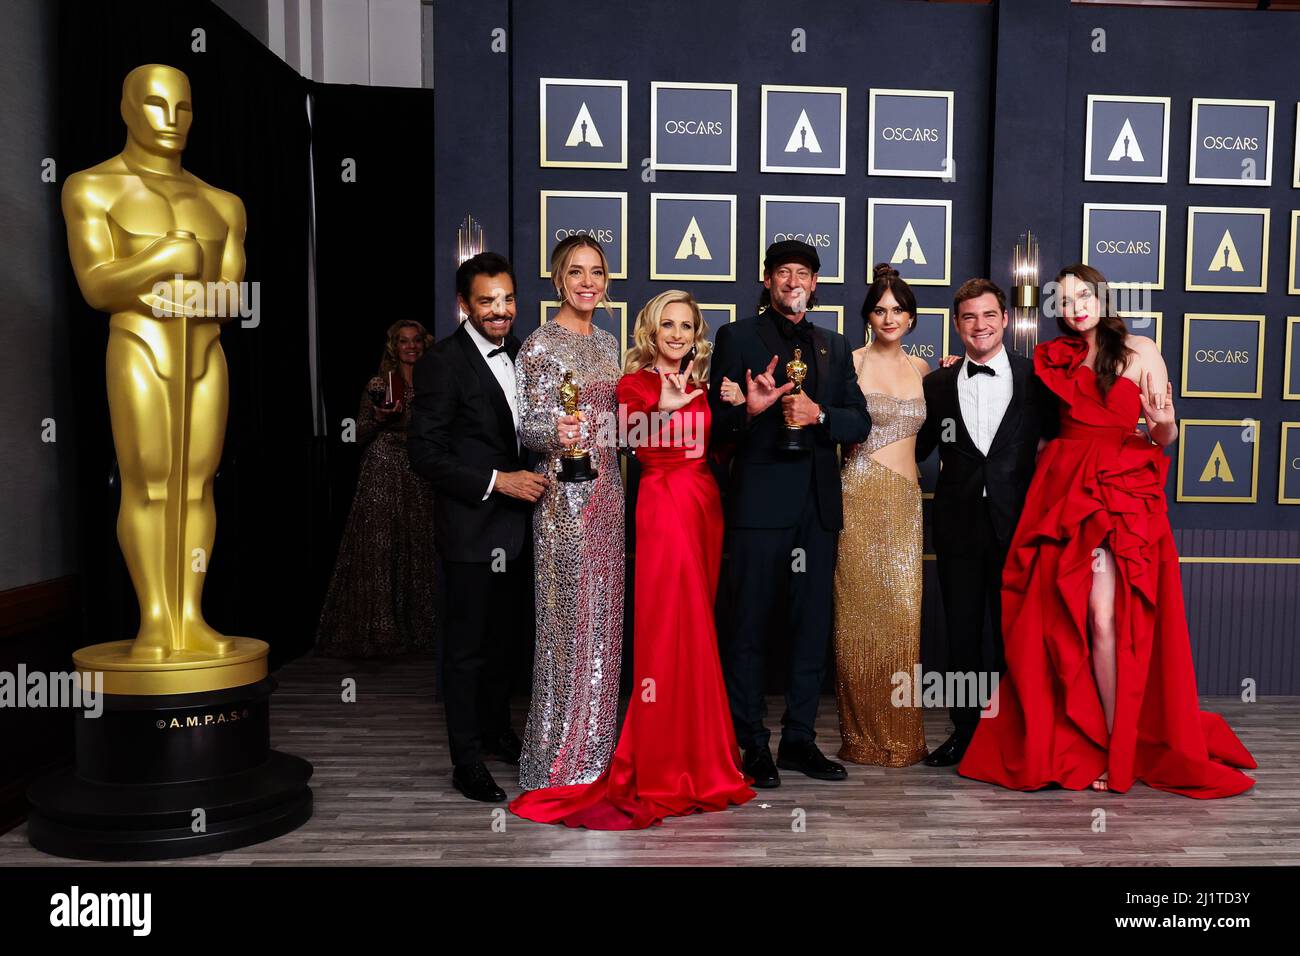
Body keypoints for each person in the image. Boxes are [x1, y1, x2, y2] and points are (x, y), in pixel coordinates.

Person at [958, 264, 1256, 797]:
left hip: (1120, 490)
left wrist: (1161, 420)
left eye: (1083, 297)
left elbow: (1165, 434)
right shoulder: (1055, 358)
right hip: (1064, 489)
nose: (1075, 308)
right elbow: (1026, 415)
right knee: (1064, 616)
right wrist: (962, 367)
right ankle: (1094, 738)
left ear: (1102, 297)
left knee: (1105, 618)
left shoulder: (1140, 349)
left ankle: (1121, 744)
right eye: (1065, 300)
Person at [510, 291, 755, 828]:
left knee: (699, 630)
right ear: (650, 330)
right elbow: (619, 435)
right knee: (670, 630)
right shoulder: (635, 383)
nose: (676, 334)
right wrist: (662, 408)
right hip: (663, 506)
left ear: (696, 334)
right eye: (666, 324)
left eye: (685, 326)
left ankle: (704, 754)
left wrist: (742, 408)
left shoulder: (705, 384)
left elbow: (718, 448)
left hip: (704, 506)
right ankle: (666, 760)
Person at [708, 239, 872, 788]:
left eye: (802, 273)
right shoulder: (736, 337)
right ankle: (750, 742)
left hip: (818, 509)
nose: (792, 281)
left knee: (810, 629)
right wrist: (751, 412)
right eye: (783, 273)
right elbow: (717, 426)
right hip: (759, 506)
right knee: (749, 626)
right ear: (767, 280)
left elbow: (860, 422)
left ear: (815, 283)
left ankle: (799, 739)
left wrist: (820, 412)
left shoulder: (834, 344)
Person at [407, 253, 544, 802]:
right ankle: (466, 761)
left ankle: (495, 733)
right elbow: (425, 454)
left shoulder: (523, 355)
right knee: (466, 651)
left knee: (505, 644)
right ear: (463, 305)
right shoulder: (442, 362)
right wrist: (497, 481)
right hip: (471, 530)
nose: (501, 310)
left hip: (519, 531)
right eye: (487, 301)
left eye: (507, 299)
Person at [915, 278, 1059, 767]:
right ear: (957, 325)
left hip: (1017, 523)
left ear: (1005, 319)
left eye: (989, 315)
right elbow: (916, 449)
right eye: (970, 317)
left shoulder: (1035, 378)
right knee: (961, 634)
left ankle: (1012, 732)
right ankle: (965, 731)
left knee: (1012, 633)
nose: (980, 325)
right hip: (958, 524)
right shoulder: (936, 384)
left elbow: (1065, 442)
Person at [514, 235, 625, 791]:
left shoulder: (609, 345)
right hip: (562, 498)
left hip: (609, 493)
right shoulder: (538, 346)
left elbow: (617, 426)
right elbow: (526, 426)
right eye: (576, 272)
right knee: (565, 624)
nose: (588, 282)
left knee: (605, 622)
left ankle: (597, 754)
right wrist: (551, 432)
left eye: (597, 272)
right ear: (559, 279)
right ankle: (556, 758)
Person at [833, 265, 931, 767]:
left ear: (911, 317)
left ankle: (902, 735)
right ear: (868, 316)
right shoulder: (847, 363)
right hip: (858, 494)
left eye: (897, 309)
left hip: (905, 503)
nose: (889, 317)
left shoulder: (924, 371)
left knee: (901, 619)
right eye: (879, 309)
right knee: (855, 617)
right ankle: (860, 735)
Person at [316, 320, 439, 658]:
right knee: (380, 546)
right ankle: (382, 633)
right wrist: (378, 417)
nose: (410, 346)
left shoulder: (435, 382)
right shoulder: (379, 383)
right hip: (383, 467)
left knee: (420, 545)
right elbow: (354, 435)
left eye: (416, 340)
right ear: (393, 347)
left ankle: (422, 631)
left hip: (420, 469)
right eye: (403, 341)